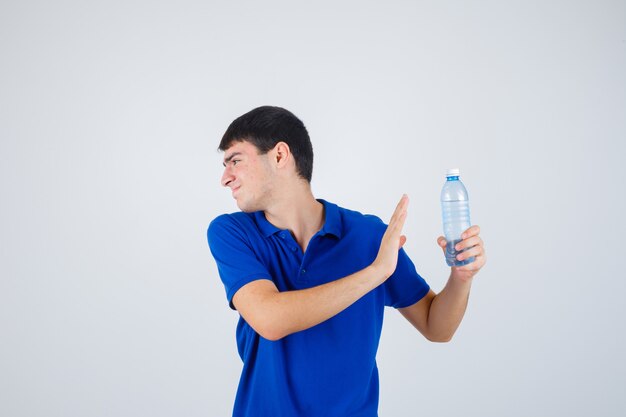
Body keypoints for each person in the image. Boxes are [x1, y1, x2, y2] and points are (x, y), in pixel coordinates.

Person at [207, 106, 486, 417]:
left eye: (235, 161)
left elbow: (437, 327)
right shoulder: (233, 233)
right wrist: (375, 273)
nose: (225, 178)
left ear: (279, 156)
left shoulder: (368, 237)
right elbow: (270, 319)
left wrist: (461, 276)